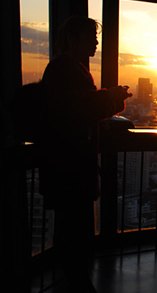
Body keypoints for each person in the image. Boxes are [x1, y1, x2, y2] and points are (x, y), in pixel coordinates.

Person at [39, 16, 131, 293]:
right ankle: (76, 282)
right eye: (91, 36)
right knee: (74, 228)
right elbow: (78, 109)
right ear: (73, 39)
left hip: (68, 164)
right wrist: (112, 96)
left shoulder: (66, 69)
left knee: (73, 226)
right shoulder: (65, 70)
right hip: (70, 165)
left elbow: (79, 109)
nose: (95, 41)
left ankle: (74, 281)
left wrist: (111, 98)